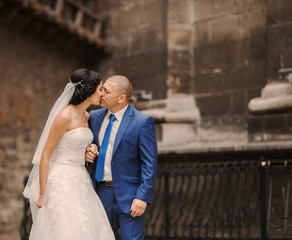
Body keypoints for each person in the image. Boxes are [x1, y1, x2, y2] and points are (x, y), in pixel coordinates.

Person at [23, 69, 115, 240]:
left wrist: (90, 149)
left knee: (88, 226)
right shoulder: (64, 115)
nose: (102, 93)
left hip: (80, 179)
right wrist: (43, 193)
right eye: (99, 89)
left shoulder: (86, 116)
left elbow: (78, 143)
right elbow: (45, 155)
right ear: (88, 91)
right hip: (61, 180)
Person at [85, 75, 157, 240]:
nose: (101, 94)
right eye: (102, 90)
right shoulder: (94, 117)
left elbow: (149, 163)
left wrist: (142, 197)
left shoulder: (142, 122)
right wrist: (87, 153)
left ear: (121, 98)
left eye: (106, 91)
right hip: (100, 192)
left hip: (130, 196)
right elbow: (86, 147)